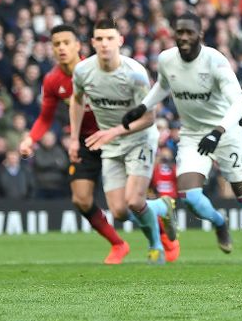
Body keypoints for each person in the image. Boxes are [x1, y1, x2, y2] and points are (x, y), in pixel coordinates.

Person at [122, 13, 242, 264]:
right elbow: (163, 85)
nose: (184, 37)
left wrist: (218, 132)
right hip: (193, 135)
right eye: (180, 32)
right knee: (192, 199)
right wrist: (143, 107)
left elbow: (239, 103)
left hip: (225, 133)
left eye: (189, 32)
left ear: (200, 36)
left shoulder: (215, 61)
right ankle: (220, 223)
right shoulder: (166, 59)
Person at [19, 24, 167, 265]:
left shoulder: (96, 68)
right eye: (56, 44)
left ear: (79, 45)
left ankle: (160, 231)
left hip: (120, 136)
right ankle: (118, 244)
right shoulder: (53, 80)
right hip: (88, 141)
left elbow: (147, 111)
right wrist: (30, 139)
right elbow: (46, 116)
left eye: (66, 42)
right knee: (82, 200)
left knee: (133, 200)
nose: (61, 48)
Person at [70, 18, 178, 265]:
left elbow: (150, 118)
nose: (105, 44)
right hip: (111, 142)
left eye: (110, 38)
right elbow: (77, 101)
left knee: (134, 200)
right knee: (119, 211)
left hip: (139, 139)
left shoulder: (135, 74)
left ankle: (155, 246)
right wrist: (74, 139)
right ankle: (162, 207)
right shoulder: (83, 71)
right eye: (100, 39)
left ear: (120, 41)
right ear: (92, 42)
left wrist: (114, 132)